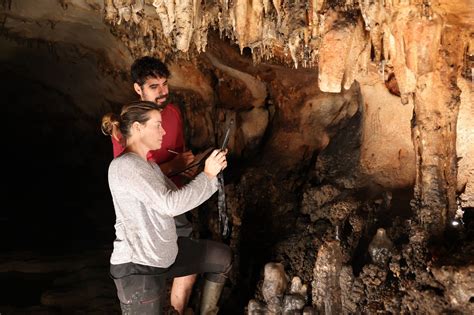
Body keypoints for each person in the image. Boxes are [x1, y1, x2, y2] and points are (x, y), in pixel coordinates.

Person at [102, 100, 232, 314]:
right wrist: (208, 175)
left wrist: (209, 169)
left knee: (221, 258)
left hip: (165, 254)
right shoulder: (125, 165)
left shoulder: (149, 166)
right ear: (137, 128)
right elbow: (170, 205)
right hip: (138, 268)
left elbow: (180, 198)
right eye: (157, 125)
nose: (163, 131)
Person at [103, 56, 199, 313]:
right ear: (138, 88)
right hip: (147, 215)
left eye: (165, 84)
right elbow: (129, 176)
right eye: (154, 86)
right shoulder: (126, 127)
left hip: (175, 202)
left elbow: (179, 154)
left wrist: (191, 167)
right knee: (153, 277)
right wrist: (174, 168)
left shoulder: (174, 113)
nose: (163, 91)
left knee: (190, 268)